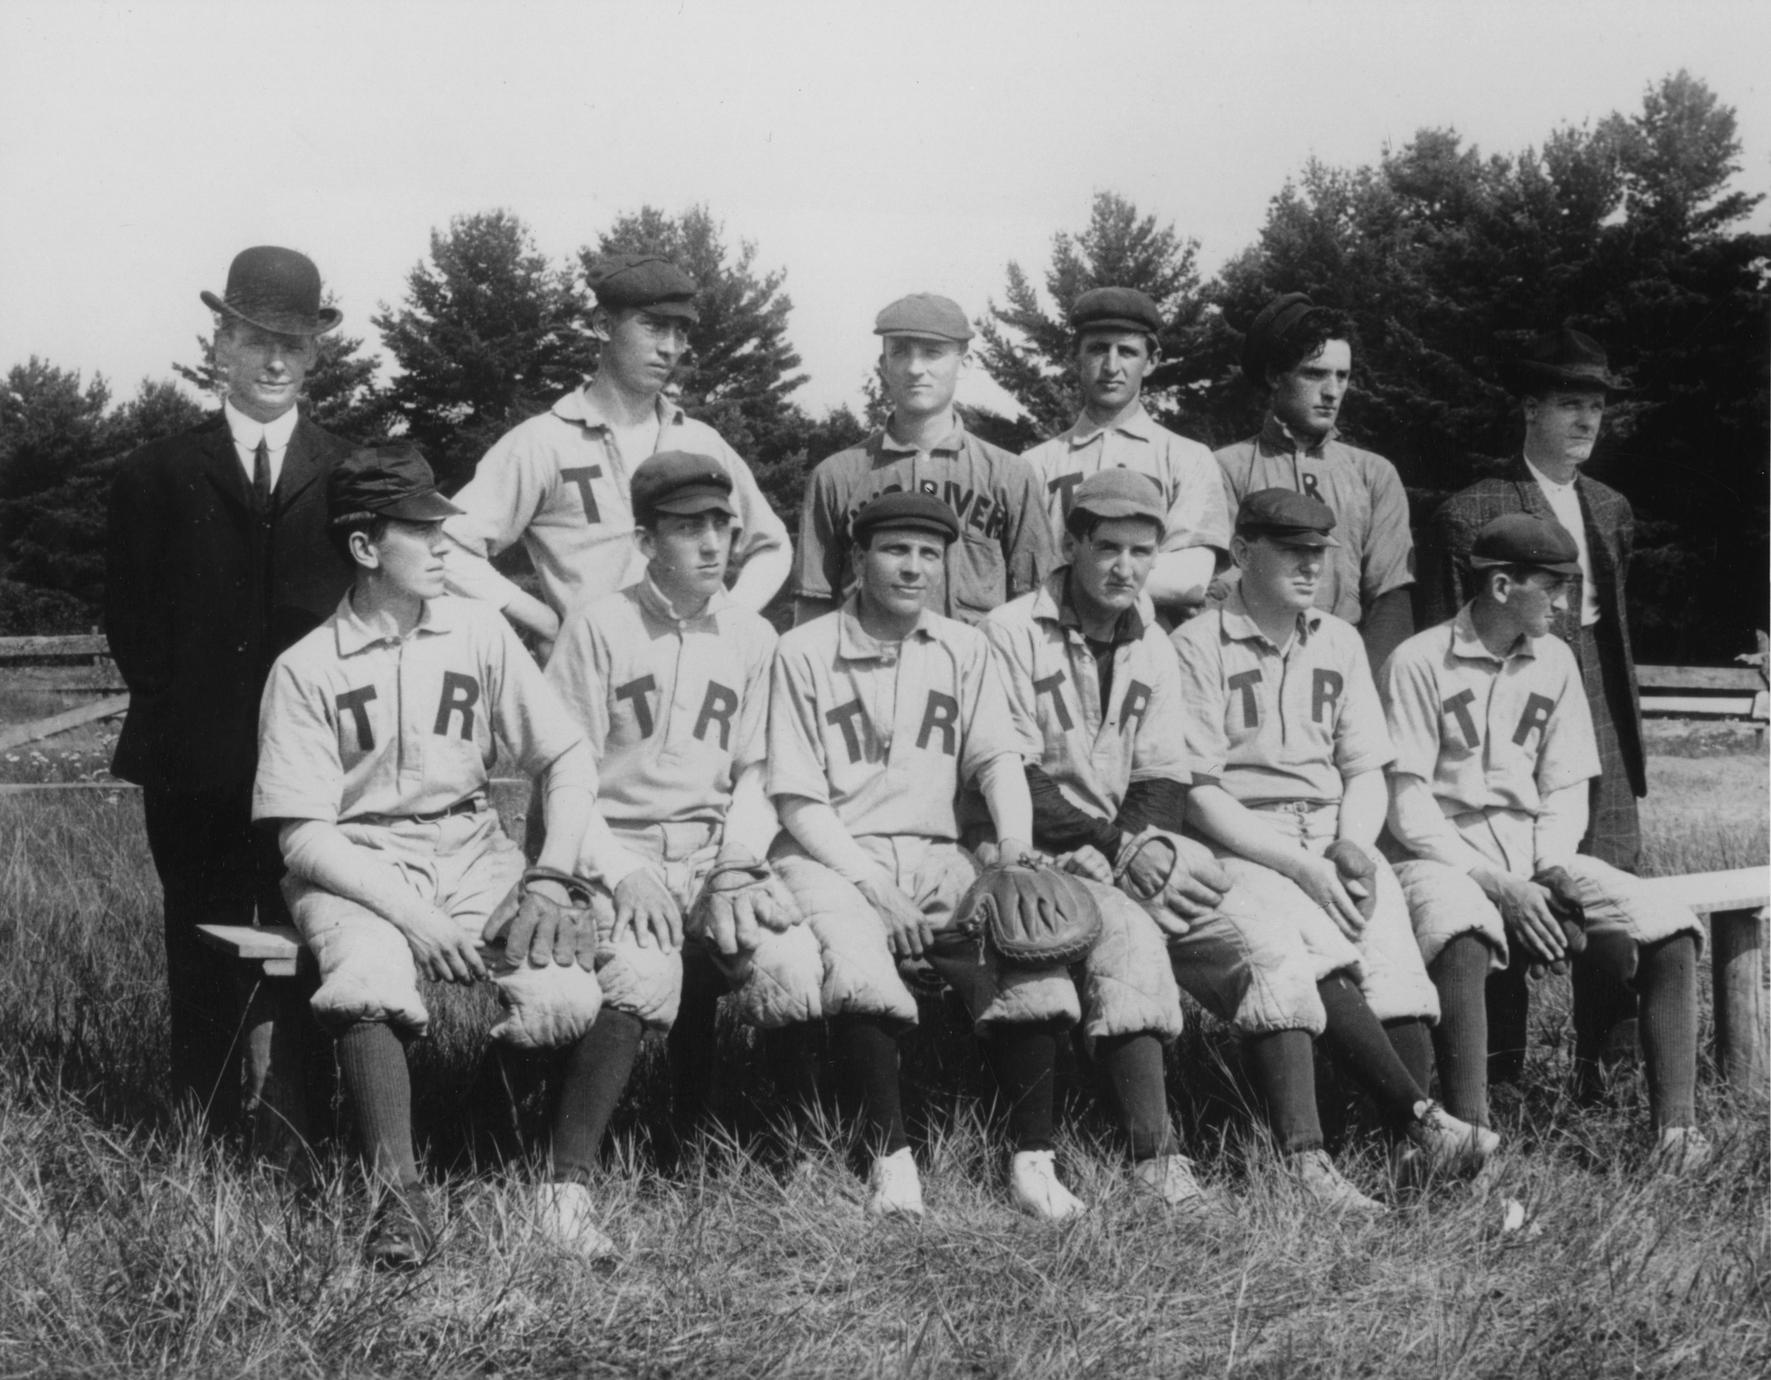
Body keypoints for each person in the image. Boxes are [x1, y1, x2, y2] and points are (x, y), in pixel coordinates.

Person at [253, 444, 616, 1268]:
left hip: (469, 839)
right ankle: (397, 1195)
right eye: (421, 530)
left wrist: (552, 878)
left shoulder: (478, 630)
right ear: (364, 548)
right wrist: (413, 917)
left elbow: (565, 759)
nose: (446, 545)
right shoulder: (306, 668)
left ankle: (494, 1146)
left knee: (564, 990)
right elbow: (301, 834)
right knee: (370, 977)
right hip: (355, 857)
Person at [768, 493, 1096, 1220]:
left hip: (937, 846)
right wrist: (873, 889)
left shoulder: (963, 645)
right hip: (830, 851)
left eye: (927, 554)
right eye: (894, 550)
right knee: (861, 969)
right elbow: (795, 800)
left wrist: (1013, 851)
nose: (912, 567)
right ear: (858, 558)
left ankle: (1031, 1160)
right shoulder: (802, 649)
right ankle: (892, 1160)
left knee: (1029, 947)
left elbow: (997, 759)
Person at [1172, 489, 1497, 1203]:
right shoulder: (1196, 645)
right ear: (1241, 552)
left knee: (1389, 956)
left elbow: (1363, 769)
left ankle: (1410, 1158)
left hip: (1330, 825)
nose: (1309, 564)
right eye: (1291, 549)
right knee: (1303, 945)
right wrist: (1302, 867)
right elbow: (1199, 791)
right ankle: (1385, 1133)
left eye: (1319, 551)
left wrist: (1351, 846)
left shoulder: (1339, 639)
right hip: (1243, 838)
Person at [105, 245, 355, 1153]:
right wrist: (190, 721)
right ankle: (201, 1133)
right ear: (220, 344)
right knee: (202, 943)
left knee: (315, 934)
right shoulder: (155, 475)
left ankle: (306, 1128)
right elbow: (132, 624)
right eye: (255, 339)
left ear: (317, 354)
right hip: (194, 761)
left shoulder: (348, 474)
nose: (275, 361)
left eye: (293, 343)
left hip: (319, 767)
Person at [541, 451, 823, 1246]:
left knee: (793, 963)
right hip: (617, 845)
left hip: (712, 849)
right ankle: (565, 1189)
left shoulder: (754, 635)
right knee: (643, 969)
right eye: (685, 527)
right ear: (644, 538)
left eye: (720, 526)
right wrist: (624, 874)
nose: (709, 544)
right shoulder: (597, 626)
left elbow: (759, 771)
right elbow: (566, 778)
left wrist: (737, 861)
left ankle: (797, 1157)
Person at [1381, 513, 1708, 1171]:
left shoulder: (1553, 661)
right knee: (1462, 926)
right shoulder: (1417, 661)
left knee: (1668, 928)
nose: (1563, 605)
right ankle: (1468, 1141)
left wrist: (1548, 868)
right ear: (1502, 585)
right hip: (1440, 857)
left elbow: (1564, 786)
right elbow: (1407, 806)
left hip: (1535, 851)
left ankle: (1677, 1136)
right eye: (1551, 588)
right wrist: (1498, 885)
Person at [441, 253, 791, 654]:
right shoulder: (543, 441)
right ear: (603, 326)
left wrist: (731, 614)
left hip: (697, 674)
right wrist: (541, 617)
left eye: (681, 332)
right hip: (594, 678)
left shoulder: (700, 441)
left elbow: (773, 545)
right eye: (654, 327)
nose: (670, 348)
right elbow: (447, 546)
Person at [1420, 328, 1645, 874]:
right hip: (1515, 689)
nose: (1587, 421)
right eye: (1570, 404)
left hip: (1599, 694)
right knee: (1525, 857)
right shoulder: (1471, 512)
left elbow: (1612, 623)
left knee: (1611, 866)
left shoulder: (1611, 508)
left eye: (1596, 406)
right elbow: (1445, 641)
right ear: (1530, 409)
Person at [792, 293, 1057, 627]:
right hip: (864, 670)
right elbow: (812, 605)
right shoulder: (836, 475)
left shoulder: (1009, 475)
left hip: (975, 669)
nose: (915, 368)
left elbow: (1035, 604)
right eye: (900, 351)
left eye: (933, 352)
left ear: (965, 361)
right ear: (883, 364)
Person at [1215, 293, 1415, 669]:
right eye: (1315, 373)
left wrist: (1366, 690)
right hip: (1248, 661)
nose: (1333, 391)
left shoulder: (1374, 473)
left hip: (1347, 665)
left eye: (1342, 376)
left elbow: (1391, 596)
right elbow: (1219, 588)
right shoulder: (1227, 468)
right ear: (1275, 376)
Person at [1020, 287, 1230, 626]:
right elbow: (1026, 574)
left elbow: (1188, 580)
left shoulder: (1188, 458)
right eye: (1099, 349)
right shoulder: (1036, 463)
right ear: (1077, 356)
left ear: (1152, 360)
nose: (1111, 366)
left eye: (1127, 351)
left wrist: (1071, 578)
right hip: (1053, 645)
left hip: (1154, 647)